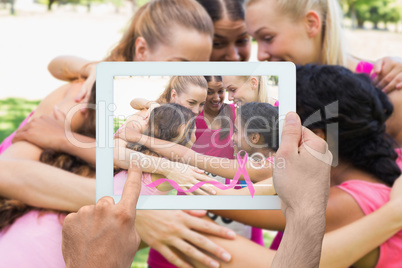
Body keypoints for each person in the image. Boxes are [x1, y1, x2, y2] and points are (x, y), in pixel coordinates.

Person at [62, 111, 332, 268]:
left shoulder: (139, 161)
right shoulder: (182, 175)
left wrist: (143, 137)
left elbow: (199, 162)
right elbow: (216, 175)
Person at [244, 0, 402, 92]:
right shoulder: (284, 99)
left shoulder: (384, 84)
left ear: (311, 24)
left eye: (267, 38)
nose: (260, 55)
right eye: (255, 40)